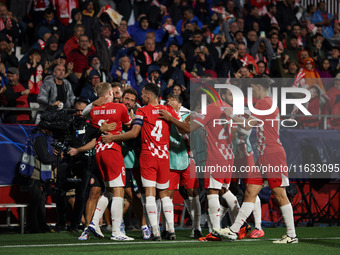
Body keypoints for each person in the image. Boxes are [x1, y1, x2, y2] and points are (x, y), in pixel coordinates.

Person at [214, 76, 298, 244]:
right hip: (265, 155)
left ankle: (291, 235)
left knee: (279, 193)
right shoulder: (268, 103)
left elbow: (246, 126)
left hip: (272, 154)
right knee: (251, 191)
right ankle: (234, 230)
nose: (252, 91)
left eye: (253, 88)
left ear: (259, 87)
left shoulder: (263, 103)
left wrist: (230, 115)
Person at [102, 83, 182, 240]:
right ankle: (171, 231)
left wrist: (113, 137)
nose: (142, 96)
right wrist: (172, 118)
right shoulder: (168, 110)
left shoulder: (142, 111)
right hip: (164, 157)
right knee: (165, 195)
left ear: (149, 96)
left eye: (143, 94)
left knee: (150, 195)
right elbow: (186, 127)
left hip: (148, 156)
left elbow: (134, 133)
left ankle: (156, 232)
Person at [87, 82, 134, 241]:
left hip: (99, 152)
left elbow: (86, 116)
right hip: (112, 151)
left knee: (109, 190)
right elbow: (129, 123)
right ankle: (116, 232)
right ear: (108, 94)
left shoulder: (93, 111)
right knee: (119, 191)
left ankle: (94, 222)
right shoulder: (120, 108)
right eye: (112, 93)